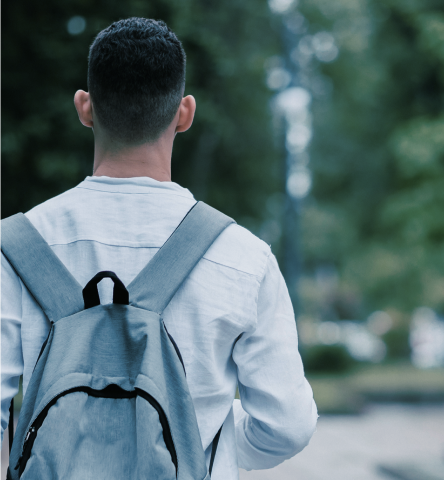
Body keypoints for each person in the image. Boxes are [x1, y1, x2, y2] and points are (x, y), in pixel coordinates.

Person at [0, 17, 317, 479]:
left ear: (85, 108)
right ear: (185, 113)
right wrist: (204, 450)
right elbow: (287, 426)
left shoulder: (13, 248)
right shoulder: (243, 258)